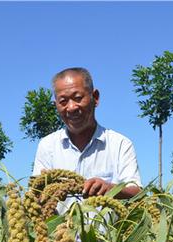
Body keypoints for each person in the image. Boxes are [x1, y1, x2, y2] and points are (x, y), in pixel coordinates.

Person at [33, 67, 142, 199]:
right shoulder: (48, 146)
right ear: (56, 105)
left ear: (95, 98)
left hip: (106, 221)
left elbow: (137, 192)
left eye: (78, 98)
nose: (71, 107)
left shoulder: (120, 144)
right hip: (61, 220)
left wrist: (111, 189)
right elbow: (36, 193)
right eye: (63, 101)